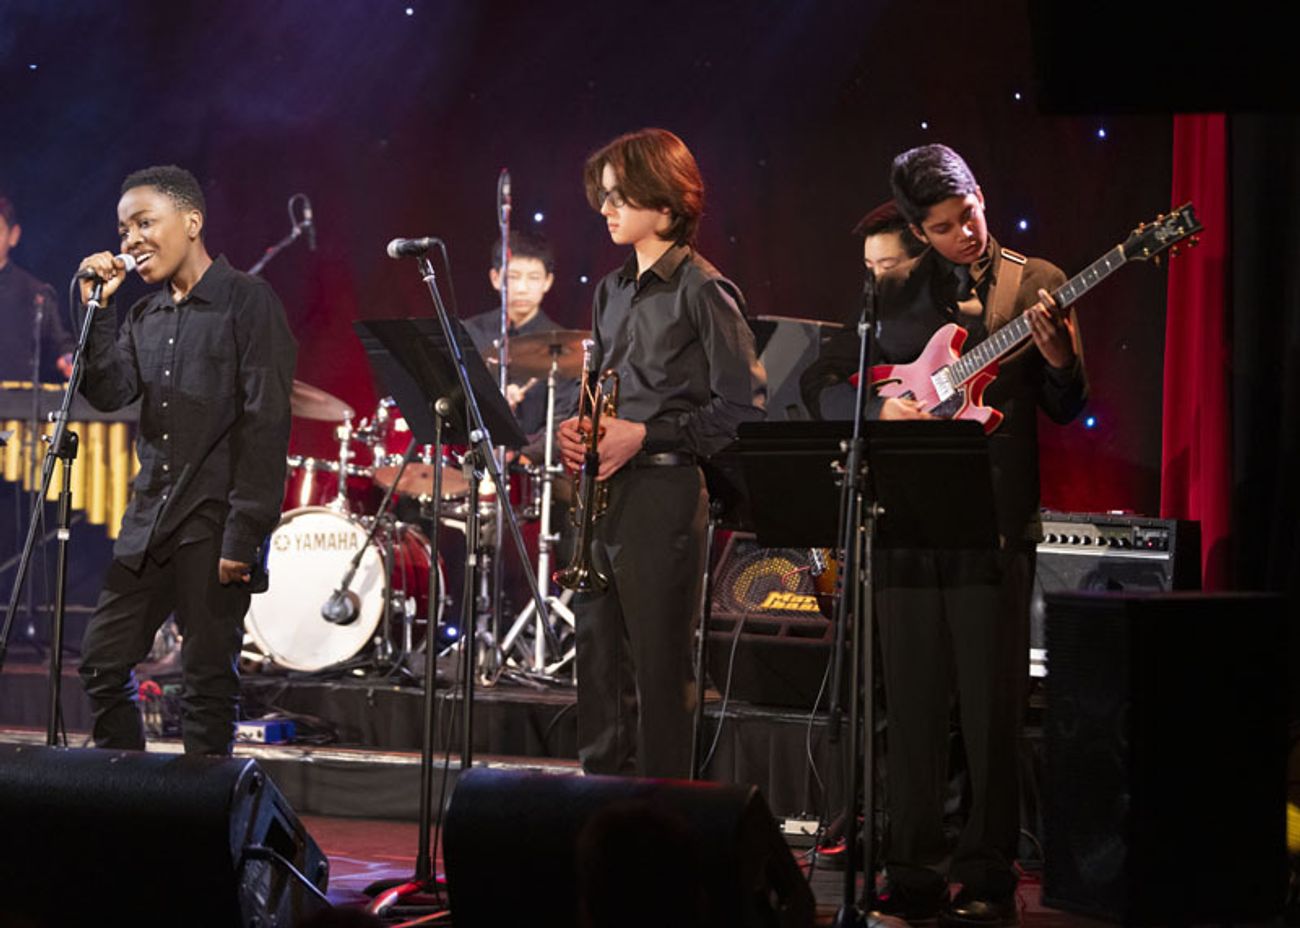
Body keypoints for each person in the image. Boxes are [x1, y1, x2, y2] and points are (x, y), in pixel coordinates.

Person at [868, 144, 1087, 926]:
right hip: (908, 524)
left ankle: (990, 878)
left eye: (969, 214)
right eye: (944, 226)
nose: (965, 233)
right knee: (913, 711)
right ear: (918, 231)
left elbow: (1066, 403)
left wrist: (1058, 355)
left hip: (993, 524)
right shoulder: (893, 292)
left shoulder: (1039, 281)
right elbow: (841, 386)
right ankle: (913, 875)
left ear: (981, 196)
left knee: (993, 711)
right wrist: (884, 409)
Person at [557, 128, 766, 779]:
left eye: (620, 196)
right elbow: (603, 389)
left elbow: (742, 408)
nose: (606, 208)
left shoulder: (704, 290)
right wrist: (582, 426)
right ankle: (598, 803)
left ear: (667, 204)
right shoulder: (610, 289)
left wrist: (645, 435)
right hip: (604, 493)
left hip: (665, 492)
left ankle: (660, 811)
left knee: (659, 668)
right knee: (598, 663)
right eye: (604, 196)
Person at [76, 164, 296, 756]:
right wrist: (97, 312)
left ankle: (204, 809)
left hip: (215, 520)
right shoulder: (144, 317)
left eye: (145, 223)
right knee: (101, 663)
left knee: (206, 684)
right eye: (124, 231)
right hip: (150, 519)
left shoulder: (247, 301)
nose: (131, 240)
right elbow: (108, 393)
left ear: (191, 222)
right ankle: (125, 791)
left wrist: (244, 534)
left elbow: (266, 424)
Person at [462, 229, 577, 464]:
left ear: (548, 281)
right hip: (471, 463)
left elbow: (564, 421)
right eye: (513, 277)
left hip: (529, 469)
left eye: (533, 277)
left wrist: (521, 457)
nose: (522, 288)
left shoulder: (564, 346)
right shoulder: (470, 333)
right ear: (495, 278)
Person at [0, 191, 74, 382]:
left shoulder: (35, 293)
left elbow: (61, 345)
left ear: (13, 235)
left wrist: (68, 360)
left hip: (15, 397)